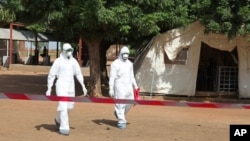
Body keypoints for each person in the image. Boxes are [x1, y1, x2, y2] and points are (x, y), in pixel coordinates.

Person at [45, 43, 88, 135]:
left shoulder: (74, 62)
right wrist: (49, 88)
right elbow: (52, 75)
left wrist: (83, 85)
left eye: (71, 50)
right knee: (63, 107)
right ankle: (64, 128)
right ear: (63, 51)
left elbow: (78, 74)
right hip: (61, 86)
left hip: (70, 87)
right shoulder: (58, 61)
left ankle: (58, 119)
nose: (70, 52)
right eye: (68, 51)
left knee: (69, 107)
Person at [109, 46, 138, 129]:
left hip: (128, 87)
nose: (125, 55)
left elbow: (132, 76)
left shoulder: (130, 64)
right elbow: (112, 77)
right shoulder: (115, 64)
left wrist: (135, 86)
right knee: (120, 104)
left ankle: (118, 114)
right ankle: (121, 121)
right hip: (119, 87)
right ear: (121, 54)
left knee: (131, 101)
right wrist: (111, 88)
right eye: (124, 53)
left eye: (127, 54)